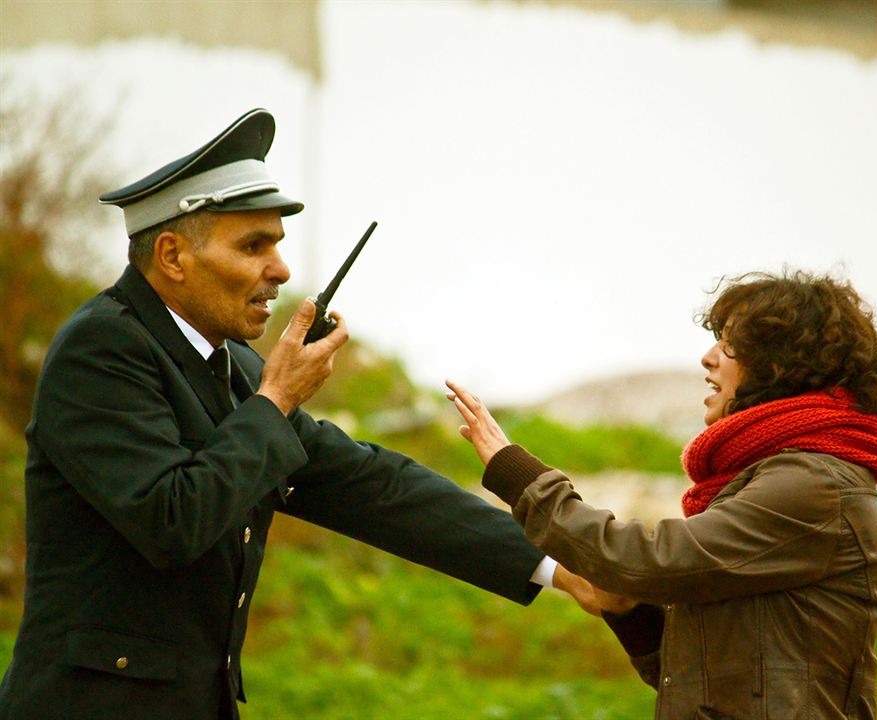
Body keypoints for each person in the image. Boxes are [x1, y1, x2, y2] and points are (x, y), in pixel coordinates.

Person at [0, 108, 598, 720]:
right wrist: (276, 400)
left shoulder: (228, 359)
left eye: (278, 246)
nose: (281, 271)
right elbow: (170, 521)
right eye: (253, 246)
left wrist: (558, 564)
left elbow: (369, 485)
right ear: (174, 257)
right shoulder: (101, 349)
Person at [447, 270, 877, 720]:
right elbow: (709, 685)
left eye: (733, 344)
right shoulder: (781, 480)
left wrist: (517, 473)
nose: (709, 357)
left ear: (783, 366)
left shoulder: (812, 486)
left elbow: (653, 563)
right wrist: (628, 613)